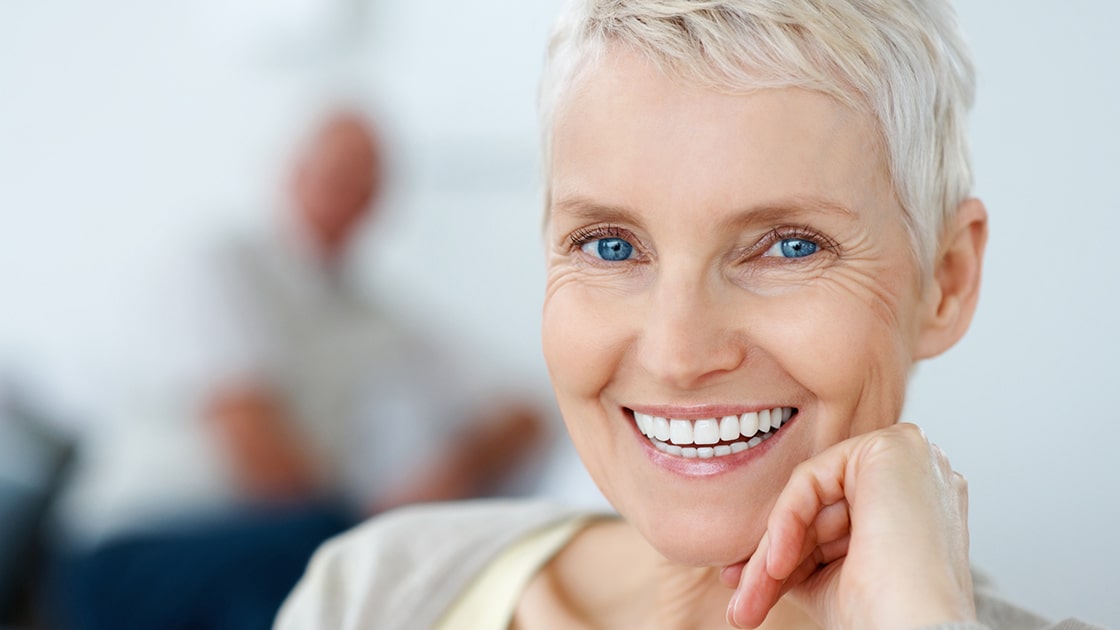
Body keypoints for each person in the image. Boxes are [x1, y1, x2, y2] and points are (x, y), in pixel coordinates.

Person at [276, 2, 1099, 629]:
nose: (678, 353)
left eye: (788, 246)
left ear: (946, 280)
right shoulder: (372, 592)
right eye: (609, 246)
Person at [45, 110, 546, 630]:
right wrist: (376, 533)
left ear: (379, 201)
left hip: (276, 547)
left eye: (364, 180)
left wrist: (455, 468)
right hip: (133, 553)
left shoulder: (376, 318)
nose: (345, 192)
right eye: (334, 170)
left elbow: (522, 410)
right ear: (292, 173)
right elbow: (256, 449)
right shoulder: (220, 265)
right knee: (339, 559)